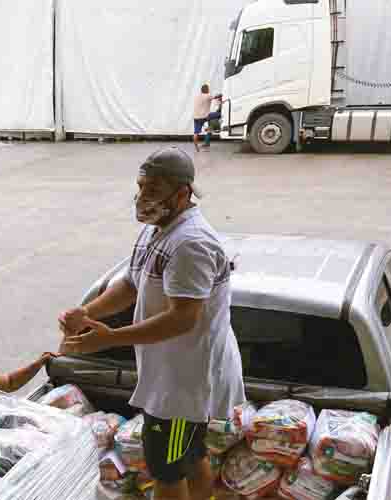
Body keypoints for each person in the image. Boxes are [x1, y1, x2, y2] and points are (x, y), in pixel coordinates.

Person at [58, 147, 245, 500]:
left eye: (154, 189)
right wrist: (88, 313)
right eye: (141, 186)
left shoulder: (191, 243)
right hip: (170, 377)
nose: (143, 197)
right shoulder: (157, 230)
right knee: (189, 455)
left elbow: (183, 319)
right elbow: (131, 283)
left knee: (167, 469)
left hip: (185, 387)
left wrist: (111, 338)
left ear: (183, 192)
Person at [192, 84, 223, 151]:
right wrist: (222, 95)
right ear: (206, 90)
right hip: (205, 116)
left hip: (196, 117)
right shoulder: (207, 95)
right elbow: (216, 96)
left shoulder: (197, 96)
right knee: (221, 114)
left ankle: (197, 146)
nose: (209, 90)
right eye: (208, 89)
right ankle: (215, 127)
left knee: (196, 133)